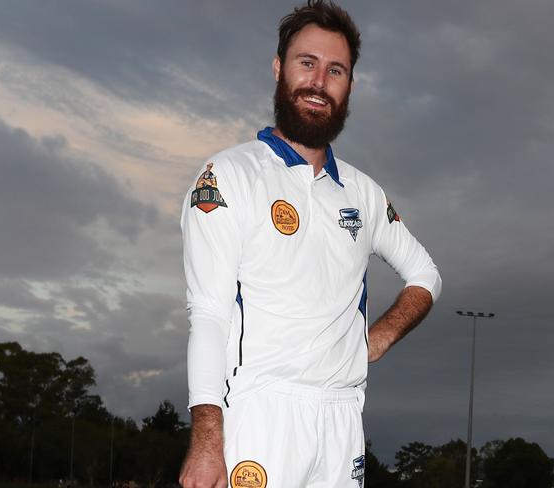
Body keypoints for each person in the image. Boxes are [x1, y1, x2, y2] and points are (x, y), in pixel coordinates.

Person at [179, 1, 441, 487]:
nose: (319, 82)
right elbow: (210, 315)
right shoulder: (229, 175)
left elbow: (425, 275)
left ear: (349, 87)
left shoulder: (363, 193)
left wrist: (377, 339)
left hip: (343, 422)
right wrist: (207, 439)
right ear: (279, 69)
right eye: (307, 63)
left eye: (335, 70)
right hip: (259, 417)